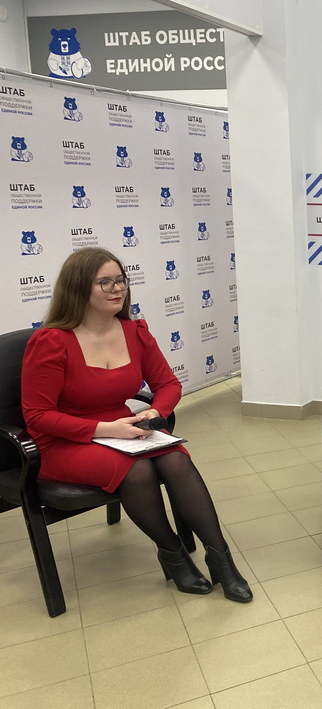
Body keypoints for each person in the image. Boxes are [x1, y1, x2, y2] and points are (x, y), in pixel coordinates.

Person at [21, 248, 252, 603]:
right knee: (138, 470)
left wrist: (154, 412)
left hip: (126, 430)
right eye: (105, 282)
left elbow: (168, 384)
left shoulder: (134, 331)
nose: (118, 289)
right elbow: (38, 416)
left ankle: (221, 560)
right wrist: (108, 429)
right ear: (79, 288)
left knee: (176, 459)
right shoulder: (51, 341)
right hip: (63, 441)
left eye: (121, 280)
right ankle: (172, 552)